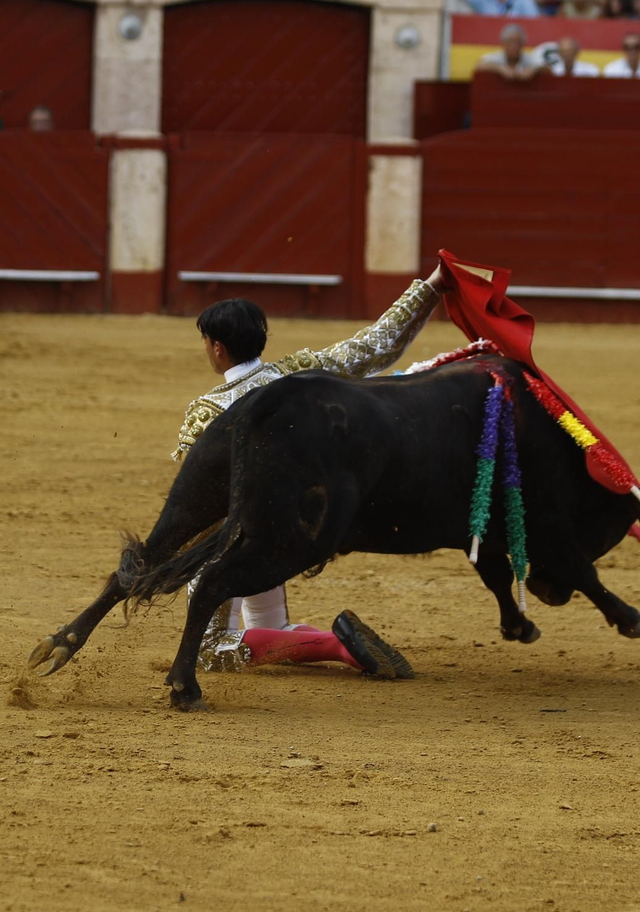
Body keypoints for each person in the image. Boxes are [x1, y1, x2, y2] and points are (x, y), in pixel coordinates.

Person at [174, 271, 450, 676]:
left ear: (217, 348)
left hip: (237, 544)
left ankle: (335, 644)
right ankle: (300, 636)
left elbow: (200, 505)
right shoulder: (300, 377)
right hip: (298, 536)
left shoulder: (208, 413)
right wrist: (431, 287)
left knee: (209, 650)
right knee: (271, 628)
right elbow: (378, 344)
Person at [476, 23, 548, 79]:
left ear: (522, 44)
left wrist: (533, 71)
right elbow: (479, 66)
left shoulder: (528, 58)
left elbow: (547, 69)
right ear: (503, 44)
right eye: (510, 42)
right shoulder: (497, 57)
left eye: (517, 42)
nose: (514, 46)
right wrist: (499, 69)